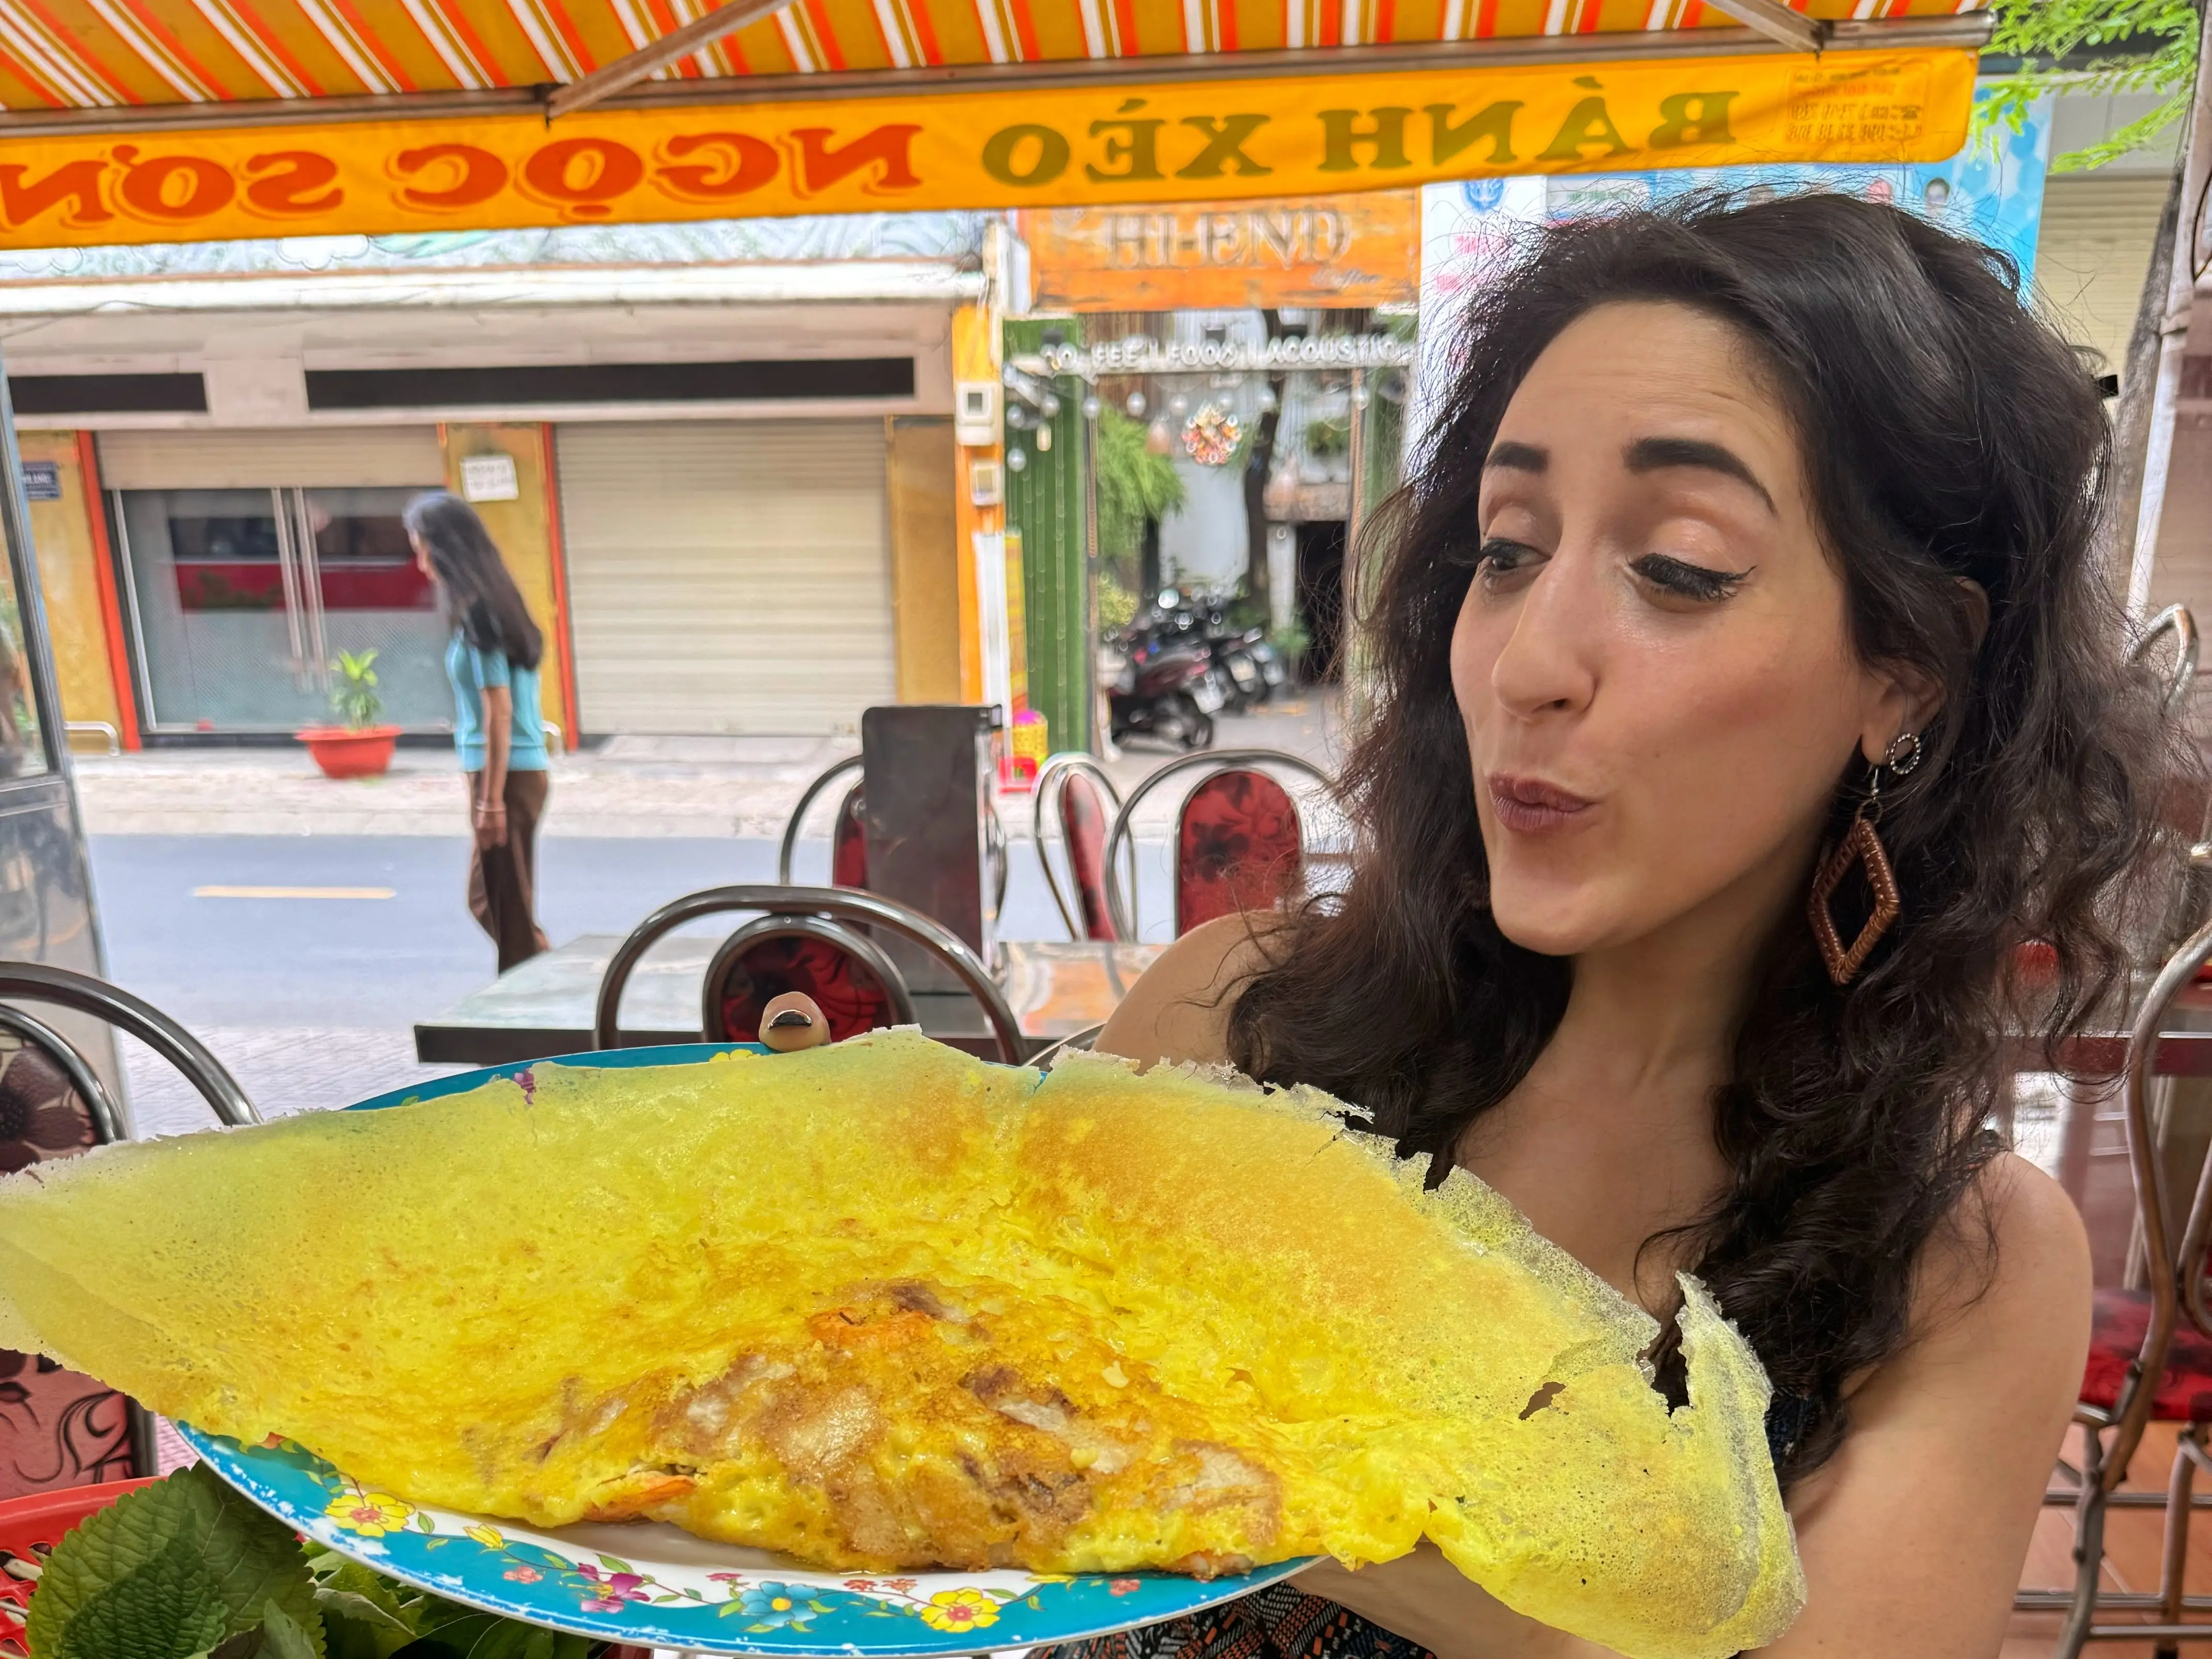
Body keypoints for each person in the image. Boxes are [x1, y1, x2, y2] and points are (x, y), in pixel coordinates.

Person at [1063, 194, 2175, 1657]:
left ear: (1902, 669)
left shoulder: (1951, 1263)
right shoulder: (1221, 1033)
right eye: (1508, 547)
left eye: (1677, 567)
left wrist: (1280, 1466)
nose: (1525, 659)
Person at [406, 491, 552, 973]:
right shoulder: (494, 604)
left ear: (443, 547)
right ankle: (544, 986)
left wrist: (490, 799)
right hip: (513, 772)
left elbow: (499, 710)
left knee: (501, 910)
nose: (419, 560)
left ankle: (532, 1017)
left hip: (504, 776)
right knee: (499, 905)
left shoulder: (479, 615)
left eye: (421, 547)